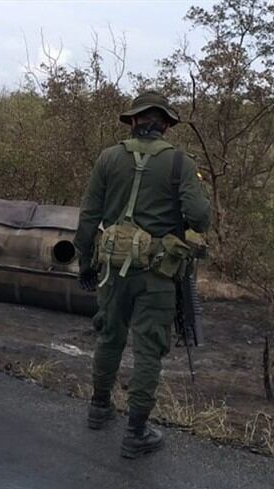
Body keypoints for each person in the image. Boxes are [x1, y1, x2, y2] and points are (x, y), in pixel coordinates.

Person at [73, 91, 211, 459]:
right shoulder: (180, 163)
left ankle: (99, 409)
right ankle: (136, 432)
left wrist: (85, 262)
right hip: (157, 276)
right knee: (149, 349)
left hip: (111, 272)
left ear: (133, 121)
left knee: (109, 337)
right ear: (166, 124)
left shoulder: (108, 158)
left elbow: (88, 216)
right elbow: (200, 217)